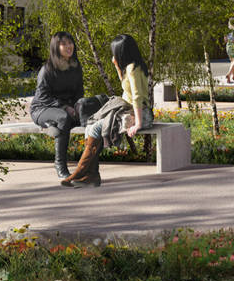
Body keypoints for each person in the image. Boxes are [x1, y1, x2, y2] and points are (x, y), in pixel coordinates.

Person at [63, 33, 153, 188]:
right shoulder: (134, 65)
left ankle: (83, 172)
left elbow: (137, 97)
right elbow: (127, 87)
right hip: (129, 111)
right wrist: (117, 66)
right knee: (91, 126)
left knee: (97, 127)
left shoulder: (132, 69)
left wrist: (137, 124)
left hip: (139, 115)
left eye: (115, 52)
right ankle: (90, 174)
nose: (113, 54)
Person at [30, 31, 83, 179]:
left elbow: (79, 92)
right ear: (56, 47)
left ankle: (88, 166)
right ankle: (60, 165)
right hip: (42, 108)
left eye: (70, 42)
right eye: (63, 43)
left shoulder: (76, 67)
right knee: (63, 118)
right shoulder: (47, 70)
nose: (68, 46)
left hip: (64, 109)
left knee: (86, 114)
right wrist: (65, 107)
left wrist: (78, 106)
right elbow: (43, 97)